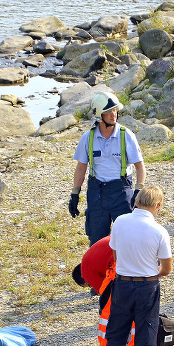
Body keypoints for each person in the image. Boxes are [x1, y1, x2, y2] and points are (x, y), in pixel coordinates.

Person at [98, 185, 172, 346]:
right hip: (146, 287)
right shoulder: (159, 231)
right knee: (145, 337)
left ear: (137, 201)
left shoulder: (120, 221)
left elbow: (115, 252)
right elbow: (166, 268)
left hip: (121, 284)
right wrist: (151, 273)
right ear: (157, 206)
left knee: (116, 334)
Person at [68, 91, 146, 246]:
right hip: (97, 193)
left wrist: (138, 191)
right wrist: (74, 195)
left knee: (126, 240)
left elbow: (140, 167)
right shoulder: (87, 138)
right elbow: (81, 169)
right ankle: (100, 270)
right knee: (97, 241)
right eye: (109, 111)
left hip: (122, 192)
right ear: (99, 115)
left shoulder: (126, 136)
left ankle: (124, 270)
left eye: (115, 110)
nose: (113, 114)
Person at [71, 236, 134, 346]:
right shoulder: (92, 258)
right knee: (136, 309)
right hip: (136, 259)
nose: (91, 286)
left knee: (106, 311)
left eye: (88, 285)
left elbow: (104, 292)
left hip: (120, 265)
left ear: (84, 279)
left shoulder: (86, 270)